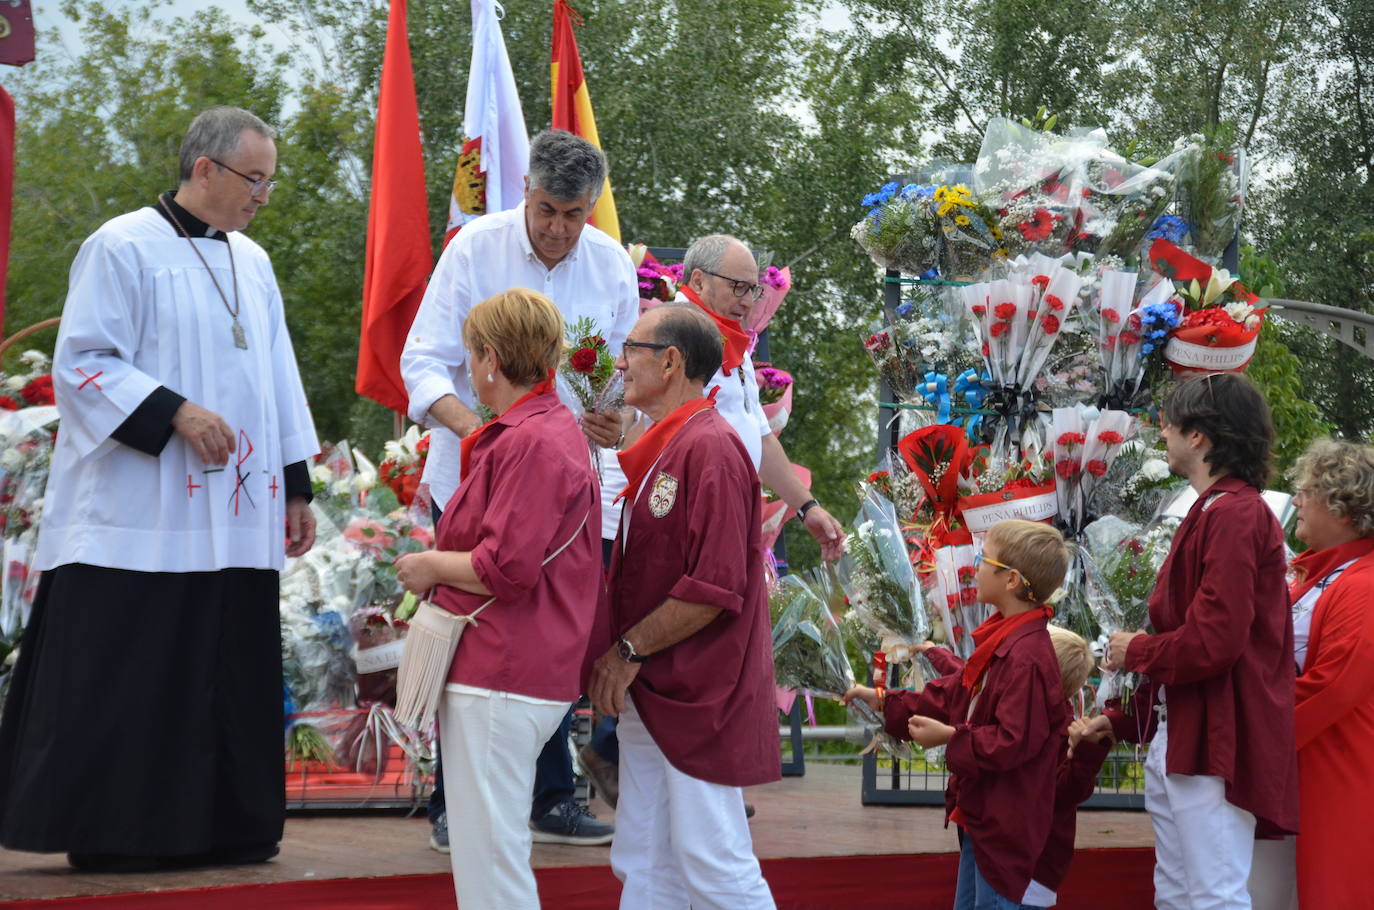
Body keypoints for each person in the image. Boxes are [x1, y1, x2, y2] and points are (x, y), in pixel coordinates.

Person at [0, 106, 318, 871]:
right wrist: (171, 410)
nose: (262, 197)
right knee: (137, 673)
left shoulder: (255, 261)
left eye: (269, 181)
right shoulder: (121, 246)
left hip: (236, 510)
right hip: (139, 512)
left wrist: (297, 486)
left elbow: (279, 377)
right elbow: (82, 361)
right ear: (204, 168)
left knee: (227, 667)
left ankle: (230, 824)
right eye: (254, 179)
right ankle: (122, 831)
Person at [401, 128, 634, 849]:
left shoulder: (611, 266)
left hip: (570, 483)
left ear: (591, 208)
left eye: (574, 214)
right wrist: (484, 434)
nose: (559, 229)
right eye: (546, 210)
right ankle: (451, 801)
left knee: (557, 626)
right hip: (473, 470)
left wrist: (616, 418)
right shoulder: (475, 247)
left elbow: (628, 382)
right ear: (525, 194)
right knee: (468, 622)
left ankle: (551, 796)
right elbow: (421, 364)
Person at [577, 233, 846, 808]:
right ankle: (670, 775)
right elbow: (620, 417)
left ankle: (695, 778)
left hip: (715, 517)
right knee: (659, 646)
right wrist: (615, 431)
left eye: (755, 288)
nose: (750, 299)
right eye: (739, 286)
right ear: (696, 282)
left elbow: (758, 436)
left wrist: (806, 506)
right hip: (654, 519)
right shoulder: (662, 338)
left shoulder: (734, 347)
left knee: (698, 649)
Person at [395, 288, 603, 910]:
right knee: (494, 854)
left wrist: (428, 564)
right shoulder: (545, 429)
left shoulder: (530, 439)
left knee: (490, 861)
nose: (468, 370)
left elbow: (505, 569)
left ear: (490, 356)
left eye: (469, 357)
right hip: (515, 666)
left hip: (501, 667)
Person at [586, 305, 780, 910]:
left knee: (711, 858)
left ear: (669, 362)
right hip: (658, 688)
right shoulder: (675, 443)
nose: (620, 363)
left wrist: (625, 651)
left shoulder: (712, 447)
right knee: (645, 857)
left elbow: (713, 589)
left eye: (632, 349)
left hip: (699, 691)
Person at [1082, 372, 1299, 909]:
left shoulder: (1237, 513)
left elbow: (1214, 642)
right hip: (1186, 731)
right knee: (1178, 892)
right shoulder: (1214, 509)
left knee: (1212, 895)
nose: (1163, 434)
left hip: (1217, 734)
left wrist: (1136, 650)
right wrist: (1127, 710)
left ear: (1199, 435)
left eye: (1170, 423)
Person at [845, 519, 1071, 909]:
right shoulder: (1006, 638)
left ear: (1012, 580)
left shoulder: (1028, 656)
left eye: (985, 559)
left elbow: (1012, 742)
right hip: (983, 819)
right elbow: (957, 693)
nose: (976, 567)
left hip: (1004, 825)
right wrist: (884, 700)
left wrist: (950, 738)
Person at [1246, 438, 1374, 909]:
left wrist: (1250, 726)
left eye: (1308, 490)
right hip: (1312, 764)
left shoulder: (1363, 583)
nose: (1296, 499)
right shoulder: (1327, 573)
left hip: (1341, 769)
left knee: (1335, 890)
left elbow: (1334, 688)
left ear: (1343, 505)